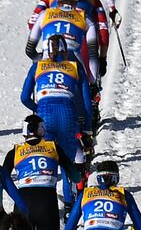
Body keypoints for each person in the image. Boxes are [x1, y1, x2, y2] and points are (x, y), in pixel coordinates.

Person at [0, 115, 82, 230]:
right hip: (47, 205)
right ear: (42, 129)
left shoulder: (15, 151)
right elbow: (76, 177)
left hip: (23, 206)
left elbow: (0, 180)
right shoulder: (53, 147)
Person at [21, 36, 91, 171]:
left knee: (47, 162)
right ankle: (76, 185)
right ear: (65, 51)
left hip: (45, 114)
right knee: (68, 165)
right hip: (67, 114)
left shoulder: (37, 66)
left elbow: (24, 98)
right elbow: (86, 102)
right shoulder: (75, 67)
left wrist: (38, 109)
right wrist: (87, 129)